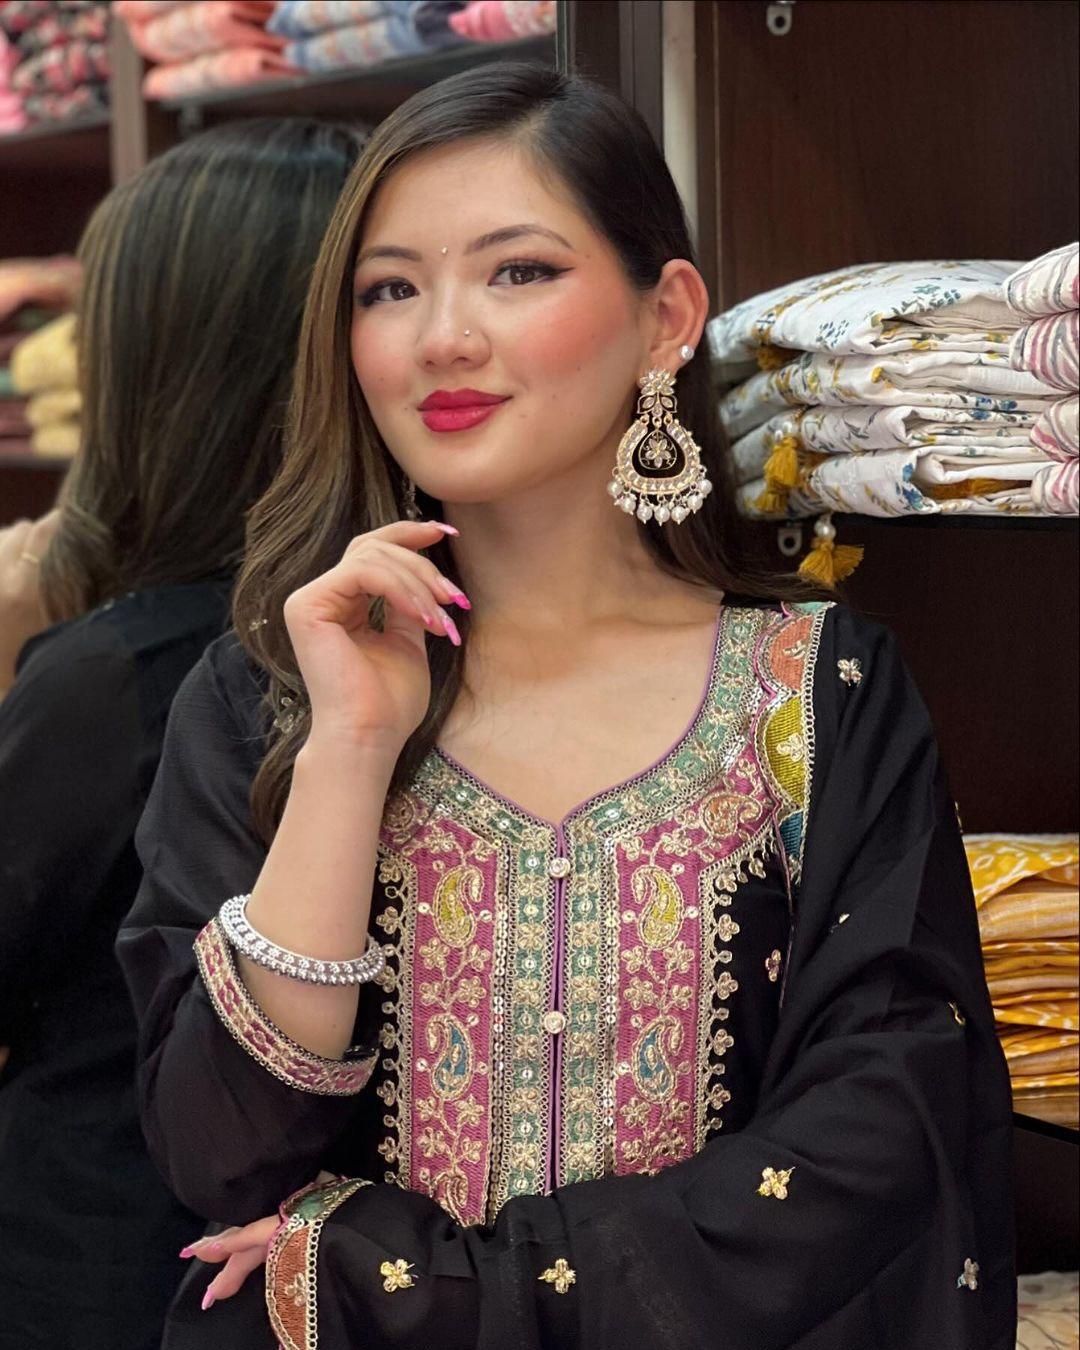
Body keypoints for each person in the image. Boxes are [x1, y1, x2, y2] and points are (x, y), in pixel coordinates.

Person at [118, 63, 1017, 1350]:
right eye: (389, 289)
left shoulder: (819, 692)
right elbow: (218, 1153)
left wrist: (439, 1286)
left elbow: (876, 1134)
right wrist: (351, 751)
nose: (442, 337)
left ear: (666, 318)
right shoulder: (271, 694)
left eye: (518, 271)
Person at [0, 118, 365, 1350]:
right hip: (324, 1264)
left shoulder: (128, 676)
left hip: (101, 1263)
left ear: (153, 369)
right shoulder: (383, 651)